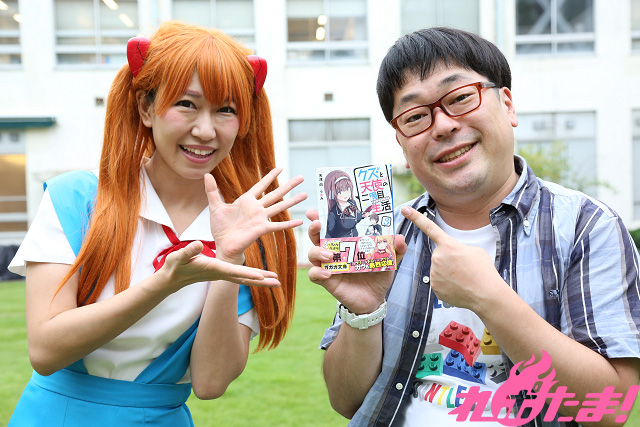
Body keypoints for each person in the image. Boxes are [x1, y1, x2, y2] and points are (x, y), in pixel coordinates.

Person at [307, 27, 640, 426]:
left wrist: (488, 297)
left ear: (507, 105)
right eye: (415, 117)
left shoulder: (587, 226)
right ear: (403, 147)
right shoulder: (384, 238)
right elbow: (346, 401)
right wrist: (364, 312)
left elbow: (610, 408)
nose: (442, 126)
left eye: (461, 98)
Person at [8, 21, 306, 427]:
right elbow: (45, 351)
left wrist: (230, 258)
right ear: (146, 108)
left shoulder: (244, 225)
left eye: (226, 110)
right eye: (186, 103)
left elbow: (210, 382)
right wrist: (164, 283)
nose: (205, 130)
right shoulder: (75, 199)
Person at [324, 169, 369, 238]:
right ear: (332, 194)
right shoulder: (334, 213)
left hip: (355, 239)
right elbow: (329, 234)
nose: (346, 194)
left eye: (348, 189)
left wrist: (363, 215)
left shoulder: (352, 203)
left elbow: (356, 218)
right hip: (342, 242)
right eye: (340, 191)